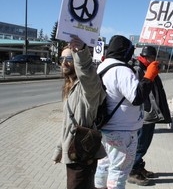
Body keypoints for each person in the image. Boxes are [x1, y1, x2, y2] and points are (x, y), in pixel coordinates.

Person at [94, 35, 159, 189]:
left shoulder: (102, 66)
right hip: (123, 130)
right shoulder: (122, 70)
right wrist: (149, 76)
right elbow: (136, 97)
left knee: (104, 164)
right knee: (119, 170)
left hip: (106, 126)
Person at [52, 36, 106, 189]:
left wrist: (81, 51)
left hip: (83, 150)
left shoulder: (88, 88)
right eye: (61, 58)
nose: (64, 62)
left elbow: (88, 74)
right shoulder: (70, 87)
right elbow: (66, 125)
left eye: (69, 57)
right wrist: (59, 149)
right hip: (72, 151)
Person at [128, 46, 172, 186]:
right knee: (141, 144)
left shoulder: (150, 68)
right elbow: (137, 92)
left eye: (153, 58)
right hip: (143, 115)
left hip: (150, 114)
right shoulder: (138, 69)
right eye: (150, 58)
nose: (152, 60)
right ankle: (132, 171)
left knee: (144, 144)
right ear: (145, 57)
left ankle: (138, 166)